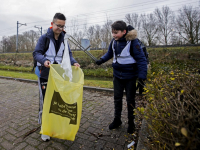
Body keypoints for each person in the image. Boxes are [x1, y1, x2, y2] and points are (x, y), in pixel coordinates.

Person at [33, 13, 80, 141]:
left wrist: (73, 62)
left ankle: (53, 124)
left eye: (63, 26)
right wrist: (44, 61)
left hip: (59, 76)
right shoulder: (44, 38)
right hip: (45, 74)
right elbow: (36, 53)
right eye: (58, 25)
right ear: (52, 24)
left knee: (56, 101)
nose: (60, 28)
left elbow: (68, 55)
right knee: (45, 101)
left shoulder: (65, 39)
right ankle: (45, 128)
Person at [96, 21, 147, 134]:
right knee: (117, 99)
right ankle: (117, 120)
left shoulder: (133, 42)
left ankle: (131, 123)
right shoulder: (114, 41)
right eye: (112, 33)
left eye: (116, 33)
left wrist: (142, 77)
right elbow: (109, 53)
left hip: (130, 77)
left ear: (124, 32)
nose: (114, 35)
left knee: (130, 101)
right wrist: (101, 60)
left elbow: (141, 60)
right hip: (117, 76)